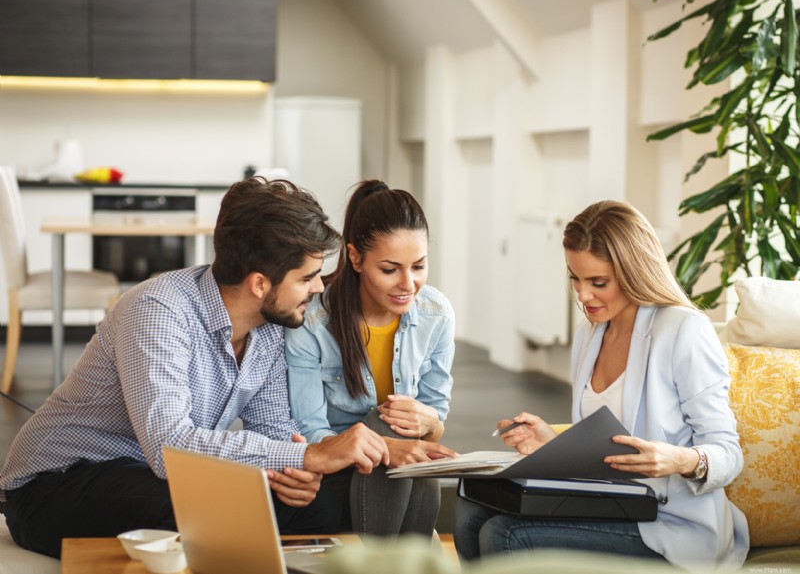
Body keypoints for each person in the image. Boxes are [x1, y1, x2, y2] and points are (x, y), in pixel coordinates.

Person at [0, 177, 390, 558]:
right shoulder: (158, 309)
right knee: (214, 506)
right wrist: (307, 458)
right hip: (56, 484)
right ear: (259, 284)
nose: (319, 287)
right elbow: (169, 446)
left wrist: (295, 475)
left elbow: (275, 433)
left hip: (151, 475)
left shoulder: (271, 326)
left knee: (323, 503)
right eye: (307, 277)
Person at [454, 200, 749, 571]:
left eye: (598, 282)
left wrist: (681, 459)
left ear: (634, 272)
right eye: (575, 278)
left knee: (505, 534)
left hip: (671, 525)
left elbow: (728, 453)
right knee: (469, 512)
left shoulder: (683, 331)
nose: (582, 295)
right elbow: (606, 443)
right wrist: (553, 441)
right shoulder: (590, 335)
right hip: (612, 505)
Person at [285, 179, 457, 536]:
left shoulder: (436, 314)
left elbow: (435, 421)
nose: (408, 284)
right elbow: (310, 430)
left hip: (401, 465)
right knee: (382, 424)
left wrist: (428, 423)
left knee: (412, 453)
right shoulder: (313, 322)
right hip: (337, 465)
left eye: (419, 266)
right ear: (355, 258)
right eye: (390, 269)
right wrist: (385, 445)